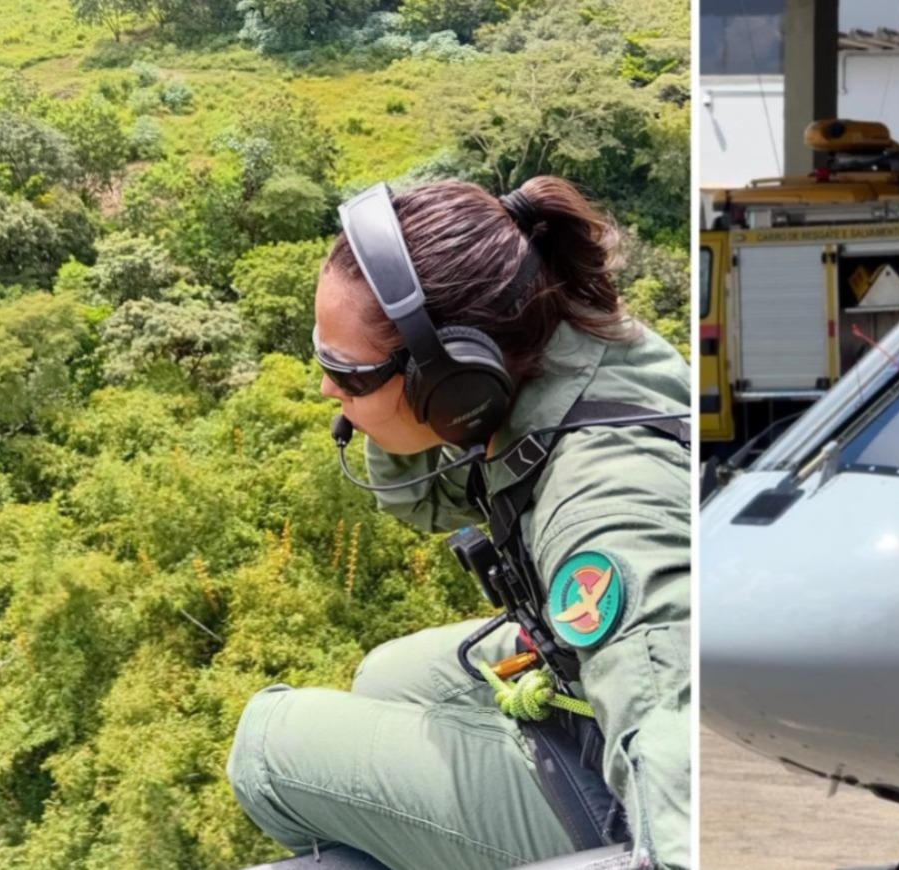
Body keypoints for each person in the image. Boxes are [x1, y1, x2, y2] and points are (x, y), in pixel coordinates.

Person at [224, 177, 691, 870]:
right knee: (385, 677)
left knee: (265, 746)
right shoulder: (542, 352)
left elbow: (677, 741)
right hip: (573, 677)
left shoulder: (604, 503)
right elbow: (425, 500)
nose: (326, 389)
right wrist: (406, 404)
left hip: (619, 799)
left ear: (453, 377)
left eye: (346, 374)